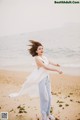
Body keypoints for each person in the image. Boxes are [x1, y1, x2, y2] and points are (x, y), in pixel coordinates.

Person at [9, 40, 62, 120]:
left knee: (49, 97)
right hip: (41, 80)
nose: (41, 50)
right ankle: (44, 116)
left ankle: (48, 114)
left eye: (42, 48)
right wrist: (57, 70)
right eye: (39, 49)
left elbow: (49, 62)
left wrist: (56, 64)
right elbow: (46, 67)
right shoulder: (37, 58)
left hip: (47, 78)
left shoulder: (44, 57)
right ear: (36, 51)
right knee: (45, 98)